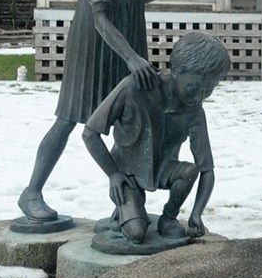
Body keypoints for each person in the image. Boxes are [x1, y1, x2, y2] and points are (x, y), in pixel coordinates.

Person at [18, 0, 172, 220]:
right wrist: (132, 58)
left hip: (130, 33)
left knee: (131, 117)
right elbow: (100, 17)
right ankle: (31, 192)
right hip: (93, 42)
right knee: (70, 118)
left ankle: (127, 201)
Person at [82, 32, 231, 243]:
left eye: (208, 91)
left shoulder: (194, 112)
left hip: (164, 170)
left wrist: (196, 213)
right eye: (193, 88)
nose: (199, 97)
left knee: (189, 172)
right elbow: (90, 133)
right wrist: (113, 174)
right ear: (178, 71)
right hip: (127, 174)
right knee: (136, 233)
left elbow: (206, 169)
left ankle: (168, 217)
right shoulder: (134, 87)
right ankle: (123, 213)